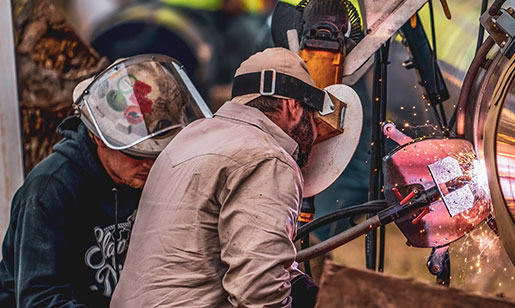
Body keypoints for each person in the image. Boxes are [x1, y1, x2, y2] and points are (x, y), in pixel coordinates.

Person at [111, 47, 361, 307]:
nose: (312, 133)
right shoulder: (267, 157)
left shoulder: (189, 137)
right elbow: (259, 292)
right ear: (293, 106)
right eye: (312, 117)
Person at [0, 54, 211, 307]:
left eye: (156, 153)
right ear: (99, 138)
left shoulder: (149, 175)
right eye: (135, 154)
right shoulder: (49, 190)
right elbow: (41, 298)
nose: (149, 165)